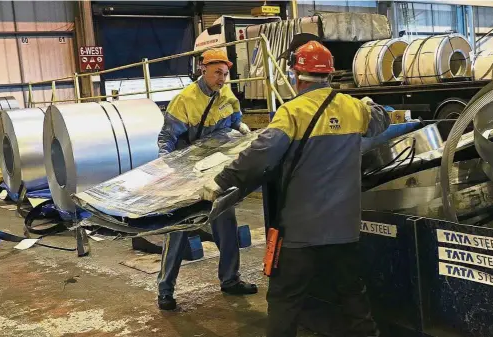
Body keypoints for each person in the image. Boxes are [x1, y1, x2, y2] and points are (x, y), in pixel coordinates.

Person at [201, 37, 388, 337]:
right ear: (329, 74)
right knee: (353, 298)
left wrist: (222, 180)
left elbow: (260, 155)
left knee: (285, 301)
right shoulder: (354, 109)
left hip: (302, 231)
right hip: (345, 229)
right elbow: (381, 120)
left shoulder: (292, 112)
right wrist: (370, 104)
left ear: (295, 74)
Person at [156, 48, 257, 311]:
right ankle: (165, 290)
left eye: (225, 74)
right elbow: (167, 139)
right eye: (216, 73)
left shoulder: (227, 94)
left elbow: (236, 122)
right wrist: (167, 168)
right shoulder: (185, 100)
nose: (222, 79)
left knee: (227, 225)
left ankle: (230, 280)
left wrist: (243, 130)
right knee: (179, 230)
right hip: (187, 172)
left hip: (217, 170)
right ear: (203, 69)